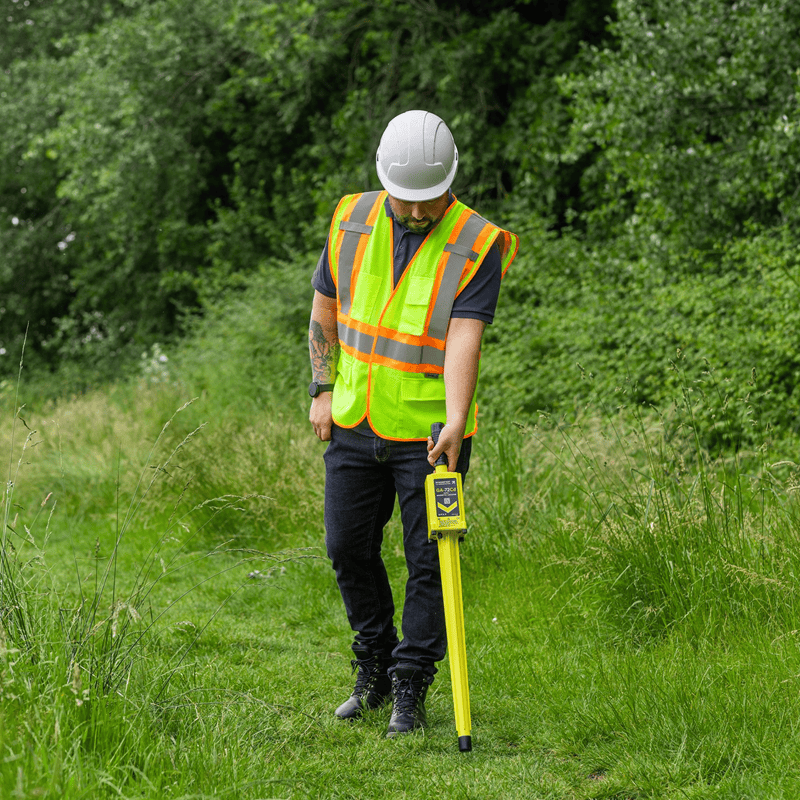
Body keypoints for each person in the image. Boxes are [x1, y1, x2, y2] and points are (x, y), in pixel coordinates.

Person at [307, 109, 518, 739]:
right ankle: (371, 663)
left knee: (430, 562)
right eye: (408, 199)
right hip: (353, 419)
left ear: (449, 182)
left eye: (431, 199)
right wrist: (321, 386)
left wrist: (456, 420)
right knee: (347, 548)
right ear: (385, 181)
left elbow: (463, 335)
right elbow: (327, 304)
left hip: (432, 437)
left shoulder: (476, 241)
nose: (419, 212)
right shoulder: (350, 219)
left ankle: (410, 684)